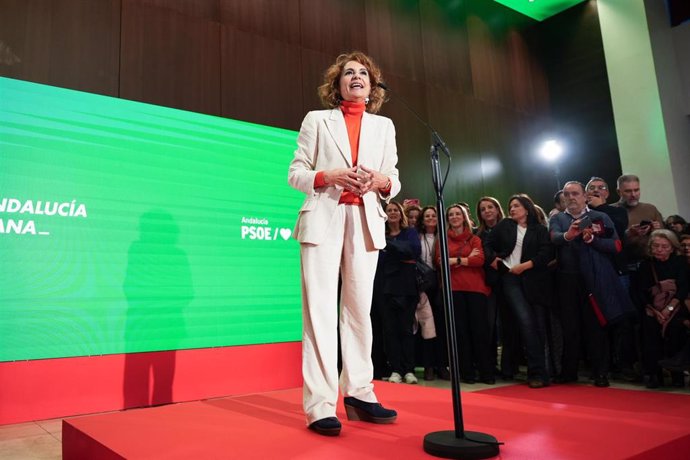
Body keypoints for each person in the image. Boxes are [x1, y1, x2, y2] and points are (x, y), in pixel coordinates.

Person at [287, 51, 399, 436]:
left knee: (358, 312)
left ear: (372, 85)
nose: (356, 77)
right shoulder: (317, 120)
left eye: (363, 73)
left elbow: (393, 177)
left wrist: (381, 182)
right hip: (323, 218)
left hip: (366, 221)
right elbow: (296, 173)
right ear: (336, 85)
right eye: (348, 73)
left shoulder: (384, 126)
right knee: (319, 314)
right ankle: (319, 404)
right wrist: (328, 175)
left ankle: (360, 393)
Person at [549, 181, 634, 388]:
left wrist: (591, 240)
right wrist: (569, 235)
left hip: (596, 279)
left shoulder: (600, 217)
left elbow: (616, 245)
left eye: (575, 193)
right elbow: (554, 238)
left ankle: (600, 373)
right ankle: (569, 373)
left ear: (585, 196)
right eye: (567, 194)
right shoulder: (558, 218)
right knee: (570, 327)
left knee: (596, 326)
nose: (571, 197)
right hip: (567, 280)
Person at [487, 194, 554, 388]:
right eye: (510, 206)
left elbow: (547, 253)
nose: (512, 209)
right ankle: (537, 373)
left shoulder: (539, 229)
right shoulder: (505, 225)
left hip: (534, 279)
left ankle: (540, 372)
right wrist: (494, 260)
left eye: (516, 205)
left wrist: (525, 266)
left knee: (538, 326)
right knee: (526, 322)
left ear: (526, 208)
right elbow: (488, 244)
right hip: (510, 278)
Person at [435, 204, 493, 384]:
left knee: (480, 332)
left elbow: (480, 260)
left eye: (457, 214)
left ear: (464, 216)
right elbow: (440, 261)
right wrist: (466, 259)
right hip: (453, 289)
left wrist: (456, 260)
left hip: (476, 289)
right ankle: (467, 373)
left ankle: (486, 373)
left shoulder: (475, 238)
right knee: (460, 333)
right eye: (451, 214)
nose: (454, 217)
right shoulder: (442, 240)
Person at [634, 230, 689, 388]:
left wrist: (669, 308)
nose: (659, 249)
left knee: (676, 329)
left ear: (672, 248)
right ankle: (654, 374)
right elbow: (640, 291)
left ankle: (676, 374)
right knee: (649, 330)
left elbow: (683, 288)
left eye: (664, 246)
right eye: (656, 246)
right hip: (653, 308)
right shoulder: (646, 265)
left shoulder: (679, 263)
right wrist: (655, 310)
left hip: (676, 306)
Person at [376, 201, 421, 384]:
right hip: (384, 288)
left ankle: (409, 369)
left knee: (406, 329)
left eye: (396, 210)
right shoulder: (380, 233)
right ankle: (396, 369)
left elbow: (413, 251)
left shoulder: (409, 232)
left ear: (401, 213)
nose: (393, 213)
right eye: (389, 210)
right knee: (390, 330)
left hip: (407, 288)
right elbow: (379, 259)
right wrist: (398, 249)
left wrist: (389, 245)